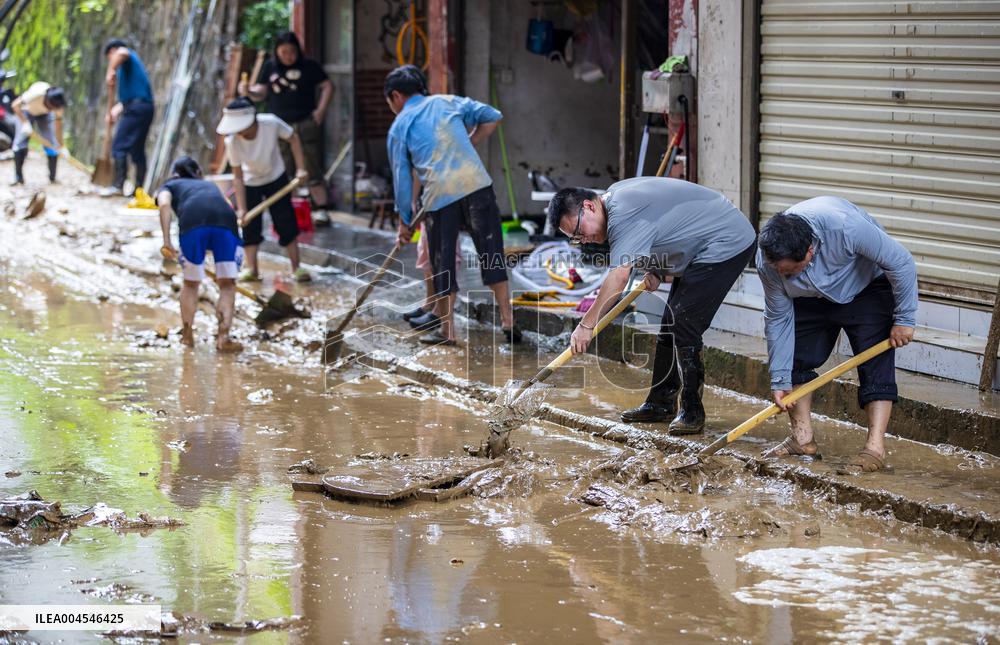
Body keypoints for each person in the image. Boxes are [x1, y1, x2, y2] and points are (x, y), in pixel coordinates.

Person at [546, 178, 756, 433]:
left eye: (579, 231)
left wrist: (586, 325)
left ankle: (692, 412)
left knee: (683, 323)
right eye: (576, 239)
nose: (584, 240)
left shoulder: (622, 213)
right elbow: (662, 224)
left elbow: (619, 277)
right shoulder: (614, 201)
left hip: (727, 241)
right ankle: (662, 403)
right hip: (703, 244)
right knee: (671, 322)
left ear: (589, 207)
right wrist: (657, 269)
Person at [757, 196, 917, 473]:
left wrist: (904, 318)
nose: (782, 275)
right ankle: (802, 440)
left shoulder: (846, 228)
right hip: (808, 297)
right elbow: (778, 318)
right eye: (779, 271)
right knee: (794, 358)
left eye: (788, 270)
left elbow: (901, 263)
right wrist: (779, 376)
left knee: (875, 367)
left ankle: (874, 450)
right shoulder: (769, 263)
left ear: (809, 251)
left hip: (866, 287)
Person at [384, 64, 518, 346]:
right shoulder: (448, 101)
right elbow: (493, 117)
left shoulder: (399, 126)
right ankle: (508, 321)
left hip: (440, 197)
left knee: (443, 264)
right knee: (491, 253)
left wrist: (404, 222)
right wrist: (469, 142)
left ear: (396, 96)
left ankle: (448, 333)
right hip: (477, 186)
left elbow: (402, 180)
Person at [216, 96, 311, 283]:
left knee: (286, 222)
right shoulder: (233, 141)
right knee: (250, 226)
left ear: (251, 120)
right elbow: (237, 175)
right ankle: (252, 270)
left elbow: (293, 138)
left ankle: (296, 267)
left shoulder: (270, 123)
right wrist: (242, 208)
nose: (239, 132)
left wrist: (301, 168)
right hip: (250, 181)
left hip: (276, 176)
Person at [156, 156, 244, 353]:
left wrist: (166, 241)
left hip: (193, 222)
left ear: (174, 174)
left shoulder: (170, 185)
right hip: (226, 222)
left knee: (190, 283)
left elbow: (163, 205)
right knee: (227, 284)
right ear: (198, 173)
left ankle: (187, 335)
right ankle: (224, 338)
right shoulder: (210, 186)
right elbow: (228, 207)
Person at [241, 31, 333, 215]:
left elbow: (327, 86)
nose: (288, 56)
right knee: (283, 169)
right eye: (283, 52)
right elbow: (261, 92)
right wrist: (248, 91)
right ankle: (289, 211)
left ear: (298, 50)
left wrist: (321, 111)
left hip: (305, 123)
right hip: (279, 126)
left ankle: (321, 209)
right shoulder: (270, 66)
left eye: (291, 51)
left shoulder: (309, 66)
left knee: (311, 166)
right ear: (277, 52)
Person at [103, 39, 155, 196]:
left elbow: (122, 51)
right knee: (136, 149)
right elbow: (132, 97)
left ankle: (118, 185)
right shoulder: (127, 68)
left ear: (112, 51)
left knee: (119, 145)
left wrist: (110, 69)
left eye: (109, 57)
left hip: (137, 109)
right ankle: (138, 189)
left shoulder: (126, 55)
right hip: (141, 107)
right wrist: (115, 110)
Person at [10, 82, 67, 184]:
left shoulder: (58, 106)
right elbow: (15, 105)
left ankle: (52, 178)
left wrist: (61, 145)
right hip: (26, 112)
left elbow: (58, 127)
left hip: (44, 116)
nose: (52, 109)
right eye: (51, 107)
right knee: (20, 143)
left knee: (52, 145)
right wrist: (25, 123)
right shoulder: (36, 94)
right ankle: (18, 178)